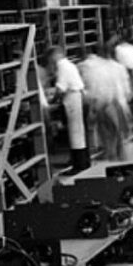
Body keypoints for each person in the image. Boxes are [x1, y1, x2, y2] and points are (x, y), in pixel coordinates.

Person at [80, 49, 130, 162]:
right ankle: (120, 156)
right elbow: (125, 89)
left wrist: (93, 107)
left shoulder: (91, 68)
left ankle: (112, 155)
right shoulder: (115, 67)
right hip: (116, 103)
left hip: (104, 104)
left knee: (107, 133)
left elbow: (93, 90)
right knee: (118, 132)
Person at [45, 46, 89, 174]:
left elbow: (60, 88)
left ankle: (79, 165)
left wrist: (52, 101)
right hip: (77, 96)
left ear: (54, 56)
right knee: (80, 133)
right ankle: (83, 161)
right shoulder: (69, 64)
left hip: (73, 99)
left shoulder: (62, 66)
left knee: (76, 134)